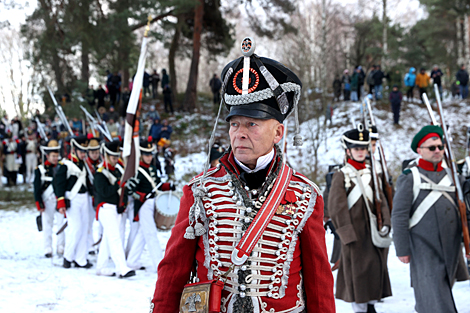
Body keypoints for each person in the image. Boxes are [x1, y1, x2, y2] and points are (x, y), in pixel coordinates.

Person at [150, 40, 335, 313]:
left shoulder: (306, 196)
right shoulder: (200, 190)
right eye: (235, 124)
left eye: (252, 124)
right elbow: (172, 272)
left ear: (278, 133)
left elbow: (319, 281)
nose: (240, 133)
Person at [392, 125, 470, 313]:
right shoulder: (410, 177)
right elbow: (399, 215)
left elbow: (465, 213)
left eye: (440, 147)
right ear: (419, 150)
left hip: (451, 246)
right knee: (436, 297)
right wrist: (402, 248)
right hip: (423, 246)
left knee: (434, 294)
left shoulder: (453, 176)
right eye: (432, 147)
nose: (438, 151)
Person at [328, 126, 392, 313]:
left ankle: (371, 305)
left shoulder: (373, 172)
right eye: (356, 149)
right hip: (355, 234)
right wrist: (347, 235)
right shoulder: (342, 174)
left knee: (374, 271)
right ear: (348, 151)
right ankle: (360, 309)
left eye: (363, 148)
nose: (361, 152)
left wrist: (386, 223)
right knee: (358, 274)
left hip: (373, 230)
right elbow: (336, 208)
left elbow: (382, 200)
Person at [126, 137, 173, 272]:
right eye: (146, 154)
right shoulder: (137, 170)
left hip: (153, 202)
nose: (148, 157)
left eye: (150, 154)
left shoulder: (152, 168)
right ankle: (160, 264)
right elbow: (130, 189)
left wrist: (168, 186)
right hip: (143, 205)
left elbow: (157, 185)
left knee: (143, 233)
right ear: (141, 154)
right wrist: (141, 196)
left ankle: (132, 261)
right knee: (150, 233)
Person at [94, 141, 135, 278]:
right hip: (105, 208)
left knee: (108, 238)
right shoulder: (100, 173)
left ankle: (101, 267)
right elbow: (104, 192)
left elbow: (123, 190)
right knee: (115, 237)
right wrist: (118, 184)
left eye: (117, 156)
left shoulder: (118, 170)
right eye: (112, 157)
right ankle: (121, 268)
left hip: (116, 208)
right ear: (106, 156)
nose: (115, 159)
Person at [53, 135, 93, 269]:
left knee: (84, 228)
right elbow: (59, 184)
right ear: (74, 150)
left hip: (84, 197)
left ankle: (81, 259)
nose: (83, 154)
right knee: (75, 228)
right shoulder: (65, 164)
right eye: (81, 151)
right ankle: (67, 257)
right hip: (72, 198)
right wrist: (61, 202)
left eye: (84, 152)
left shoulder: (83, 164)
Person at [34, 139, 64, 258]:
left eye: (56, 156)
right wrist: (39, 204)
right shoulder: (40, 169)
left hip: (59, 199)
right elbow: (37, 188)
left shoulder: (61, 168)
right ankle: (48, 248)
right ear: (47, 156)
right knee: (47, 225)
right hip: (47, 200)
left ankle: (61, 246)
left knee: (61, 223)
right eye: (53, 156)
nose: (55, 158)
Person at [84, 137, 101, 254]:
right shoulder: (86, 164)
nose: (94, 155)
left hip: (100, 196)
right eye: (92, 152)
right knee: (88, 222)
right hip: (89, 196)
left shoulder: (102, 163)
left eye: (96, 152)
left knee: (102, 223)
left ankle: (100, 245)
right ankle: (89, 245)